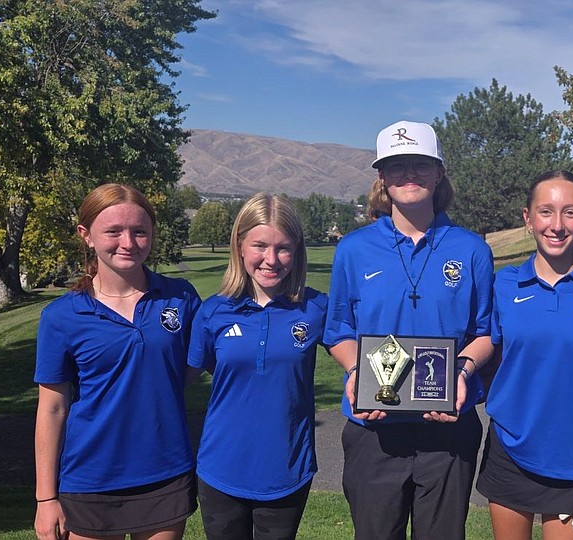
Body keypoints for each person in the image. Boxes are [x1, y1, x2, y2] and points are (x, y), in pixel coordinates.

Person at [324, 120, 495, 540]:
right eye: (397, 166)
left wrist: (462, 371)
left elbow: (487, 331)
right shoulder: (353, 249)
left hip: (448, 428)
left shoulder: (471, 248)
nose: (409, 174)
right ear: (382, 178)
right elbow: (338, 329)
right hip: (373, 428)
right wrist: (354, 373)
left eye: (420, 164)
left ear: (439, 172)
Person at [34, 183, 201, 540]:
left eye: (139, 231)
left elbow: (197, 368)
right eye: (113, 231)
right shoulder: (61, 316)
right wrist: (45, 498)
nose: (128, 242)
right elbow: (52, 408)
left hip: (165, 472)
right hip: (90, 477)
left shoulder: (181, 298)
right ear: (87, 235)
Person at [479, 171, 573, 540]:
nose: (557, 225)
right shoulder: (503, 286)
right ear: (528, 218)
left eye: (569, 212)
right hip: (510, 448)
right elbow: (482, 353)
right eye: (546, 212)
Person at [187, 193, 328, 540]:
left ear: (297, 250)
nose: (271, 259)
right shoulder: (213, 311)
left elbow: (359, 352)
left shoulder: (315, 308)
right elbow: (186, 376)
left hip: (286, 468)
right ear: (239, 245)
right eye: (260, 246)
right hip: (220, 467)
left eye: (283, 248)